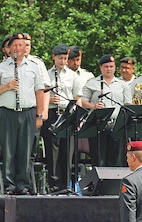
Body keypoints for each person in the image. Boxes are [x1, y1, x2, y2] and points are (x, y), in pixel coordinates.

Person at [0, 33, 46, 195]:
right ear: (9, 48)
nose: (17, 48)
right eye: (14, 45)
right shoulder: (0, 68)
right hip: (7, 113)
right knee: (8, 151)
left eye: (21, 45)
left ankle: (23, 185)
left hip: (28, 113)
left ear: (26, 48)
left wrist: (39, 115)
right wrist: (6, 87)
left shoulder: (33, 67)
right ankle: (9, 185)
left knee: (26, 151)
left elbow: (39, 92)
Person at [44, 44, 83, 191]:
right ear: (54, 57)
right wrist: (49, 101)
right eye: (60, 58)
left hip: (68, 114)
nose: (63, 61)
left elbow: (77, 98)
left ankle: (66, 184)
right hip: (53, 113)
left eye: (65, 58)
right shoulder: (46, 75)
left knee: (68, 150)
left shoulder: (73, 76)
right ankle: (53, 185)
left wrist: (79, 118)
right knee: (53, 151)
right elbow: (40, 96)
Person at [82, 55, 132, 167]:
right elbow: (83, 101)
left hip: (117, 124)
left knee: (116, 159)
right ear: (101, 67)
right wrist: (93, 106)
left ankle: (116, 184)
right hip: (99, 124)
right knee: (99, 159)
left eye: (111, 66)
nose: (109, 69)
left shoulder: (122, 84)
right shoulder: (92, 83)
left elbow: (128, 104)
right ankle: (100, 184)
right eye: (106, 66)